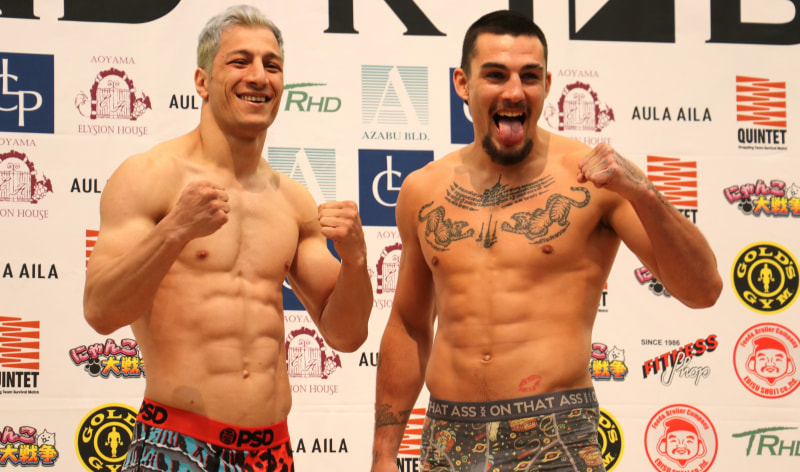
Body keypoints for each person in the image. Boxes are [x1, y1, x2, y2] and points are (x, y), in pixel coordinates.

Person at [371, 10, 722, 472]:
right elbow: (410, 325)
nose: (515, 91)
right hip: (448, 441)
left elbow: (703, 290)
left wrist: (643, 193)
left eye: (530, 76)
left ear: (548, 84)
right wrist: (384, 453)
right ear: (463, 83)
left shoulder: (592, 179)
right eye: (496, 75)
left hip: (556, 435)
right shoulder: (423, 189)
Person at [83, 5, 373, 471]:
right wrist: (176, 230)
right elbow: (100, 311)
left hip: (270, 451)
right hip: (176, 442)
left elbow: (346, 335)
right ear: (202, 81)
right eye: (240, 62)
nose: (258, 76)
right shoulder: (148, 177)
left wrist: (356, 261)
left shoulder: (292, 200)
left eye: (272, 65)